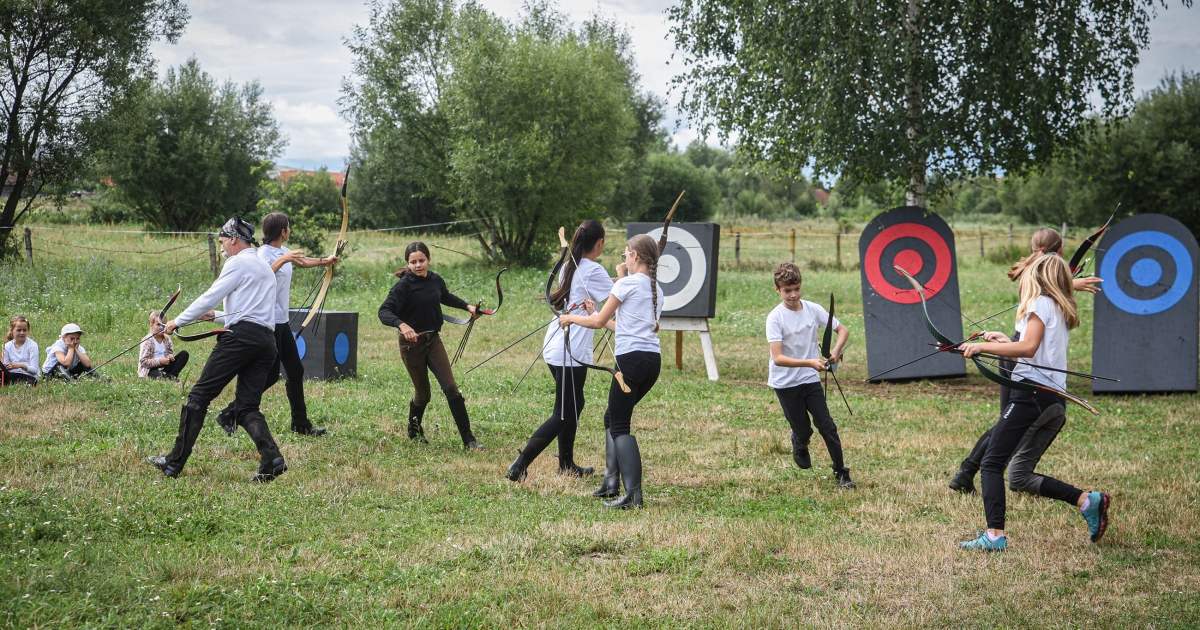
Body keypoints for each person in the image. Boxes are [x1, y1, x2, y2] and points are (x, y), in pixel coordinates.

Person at [957, 253, 1110, 551]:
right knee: (1020, 476)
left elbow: (1027, 348)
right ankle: (1087, 500)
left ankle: (994, 536)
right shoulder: (1057, 306)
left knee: (991, 463)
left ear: (1038, 277)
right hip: (1053, 402)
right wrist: (1002, 342)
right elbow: (1024, 352)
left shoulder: (1040, 302)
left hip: (1032, 396)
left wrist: (979, 346)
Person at [949, 228, 1103, 495]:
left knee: (1009, 422)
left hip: (1021, 349)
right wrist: (1070, 285)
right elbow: (1040, 316)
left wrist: (1068, 285)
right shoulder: (1038, 280)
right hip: (1021, 353)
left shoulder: (1040, 274)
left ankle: (969, 471)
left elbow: (1050, 298)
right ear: (1062, 250)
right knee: (1008, 423)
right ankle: (969, 471)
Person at [145, 217, 288, 482]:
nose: (222, 249)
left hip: (240, 339)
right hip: (266, 342)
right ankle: (272, 459)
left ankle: (174, 463)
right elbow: (250, 314)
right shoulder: (265, 268)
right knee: (246, 407)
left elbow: (209, 295)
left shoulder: (237, 262)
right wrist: (216, 316)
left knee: (198, 397)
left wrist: (177, 321)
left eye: (223, 242)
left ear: (233, 239)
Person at [558, 234, 664, 509]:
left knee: (619, 425)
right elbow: (618, 325)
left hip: (630, 362)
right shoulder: (655, 288)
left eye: (626, 254)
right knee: (612, 417)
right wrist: (598, 316)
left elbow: (597, 321)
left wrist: (569, 317)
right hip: (651, 362)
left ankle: (633, 495)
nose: (624, 259)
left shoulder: (628, 283)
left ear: (636, 256)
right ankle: (611, 482)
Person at [506, 220, 614, 482]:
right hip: (570, 351)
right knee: (563, 412)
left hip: (557, 347)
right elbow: (619, 295)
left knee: (574, 405)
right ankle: (520, 465)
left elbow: (608, 286)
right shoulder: (593, 270)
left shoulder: (571, 264)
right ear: (599, 243)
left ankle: (566, 465)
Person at [212, 212, 335, 437]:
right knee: (269, 375)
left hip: (282, 321)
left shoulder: (284, 252)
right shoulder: (261, 255)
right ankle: (229, 413)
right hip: (268, 322)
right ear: (283, 231)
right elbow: (263, 275)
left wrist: (324, 261)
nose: (289, 230)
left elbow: (302, 261)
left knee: (296, 371)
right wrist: (283, 260)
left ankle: (300, 424)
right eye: (288, 227)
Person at [377, 241, 484, 449]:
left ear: (429, 260)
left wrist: (468, 307)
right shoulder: (403, 286)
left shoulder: (435, 279)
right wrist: (402, 325)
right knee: (423, 395)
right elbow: (384, 311)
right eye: (413, 262)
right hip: (412, 346)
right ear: (407, 264)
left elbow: (445, 296)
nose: (418, 265)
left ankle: (469, 439)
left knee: (451, 388)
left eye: (421, 261)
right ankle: (414, 430)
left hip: (433, 340)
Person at [765, 262, 855, 489]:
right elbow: (778, 358)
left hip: (810, 379)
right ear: (777, 290)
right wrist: (810, 362)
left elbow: (842, 330)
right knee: (804, 429)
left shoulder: (813, 309)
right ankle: (799, 441)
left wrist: (834, 351)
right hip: (785, 383)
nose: (793, 294)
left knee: (827, 425)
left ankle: (841, 475)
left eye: (797, 288)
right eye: (787, 290)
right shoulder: (775, 318)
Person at [138, 310, 190, 379]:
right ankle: (165, 375)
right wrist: (160, 362)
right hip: (151, 369)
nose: (161, 327)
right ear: (151, 325)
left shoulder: (167, 339)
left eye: (164, 324)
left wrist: (170, 356)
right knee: (160, 376)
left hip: (165, 365)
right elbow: (143, 362)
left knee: (184, 354)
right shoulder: (147, 341)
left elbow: (170, 353)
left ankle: (173, 375)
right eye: (158, 324)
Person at [2, 316, 39, 386]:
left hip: (28, 375)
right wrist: (5, 366)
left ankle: (15, 383)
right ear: (12, 331)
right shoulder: (7, 345)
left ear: (28, 330)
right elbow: (6, 368)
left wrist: (20, 366)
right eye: (18, 330)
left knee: (31, 382)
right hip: (12, 374)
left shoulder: (32, 345)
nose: (22, 333)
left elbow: (34, 370)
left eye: (24, 330)